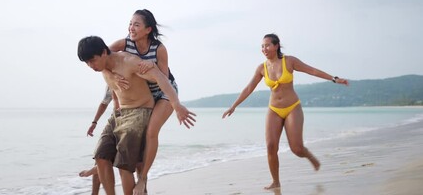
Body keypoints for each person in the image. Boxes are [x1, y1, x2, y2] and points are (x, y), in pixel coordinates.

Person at [222, 33, 348, 191]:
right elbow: (248, 88)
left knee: (296, 148)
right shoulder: (262, 68)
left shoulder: (289, 61)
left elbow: (312, 70)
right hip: (274, 109)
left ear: (276, 46)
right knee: (270, 146)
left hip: (292, 107)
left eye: (267, 45)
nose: (264, 49)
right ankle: (276, 181)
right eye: (262, 46)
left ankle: (308, 155)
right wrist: (233, 106)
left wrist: (334, 78)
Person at [77, 35, 196, 195]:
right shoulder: (103, 67)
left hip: (140, 111)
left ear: (104, 52)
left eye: (92, 60)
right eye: (87, 63)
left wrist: (176, 103)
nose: (91, 66)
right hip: (119, 114)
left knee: (124, 165)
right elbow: (111, 92)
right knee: (101, 156)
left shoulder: (129, 61)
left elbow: (160, 76)